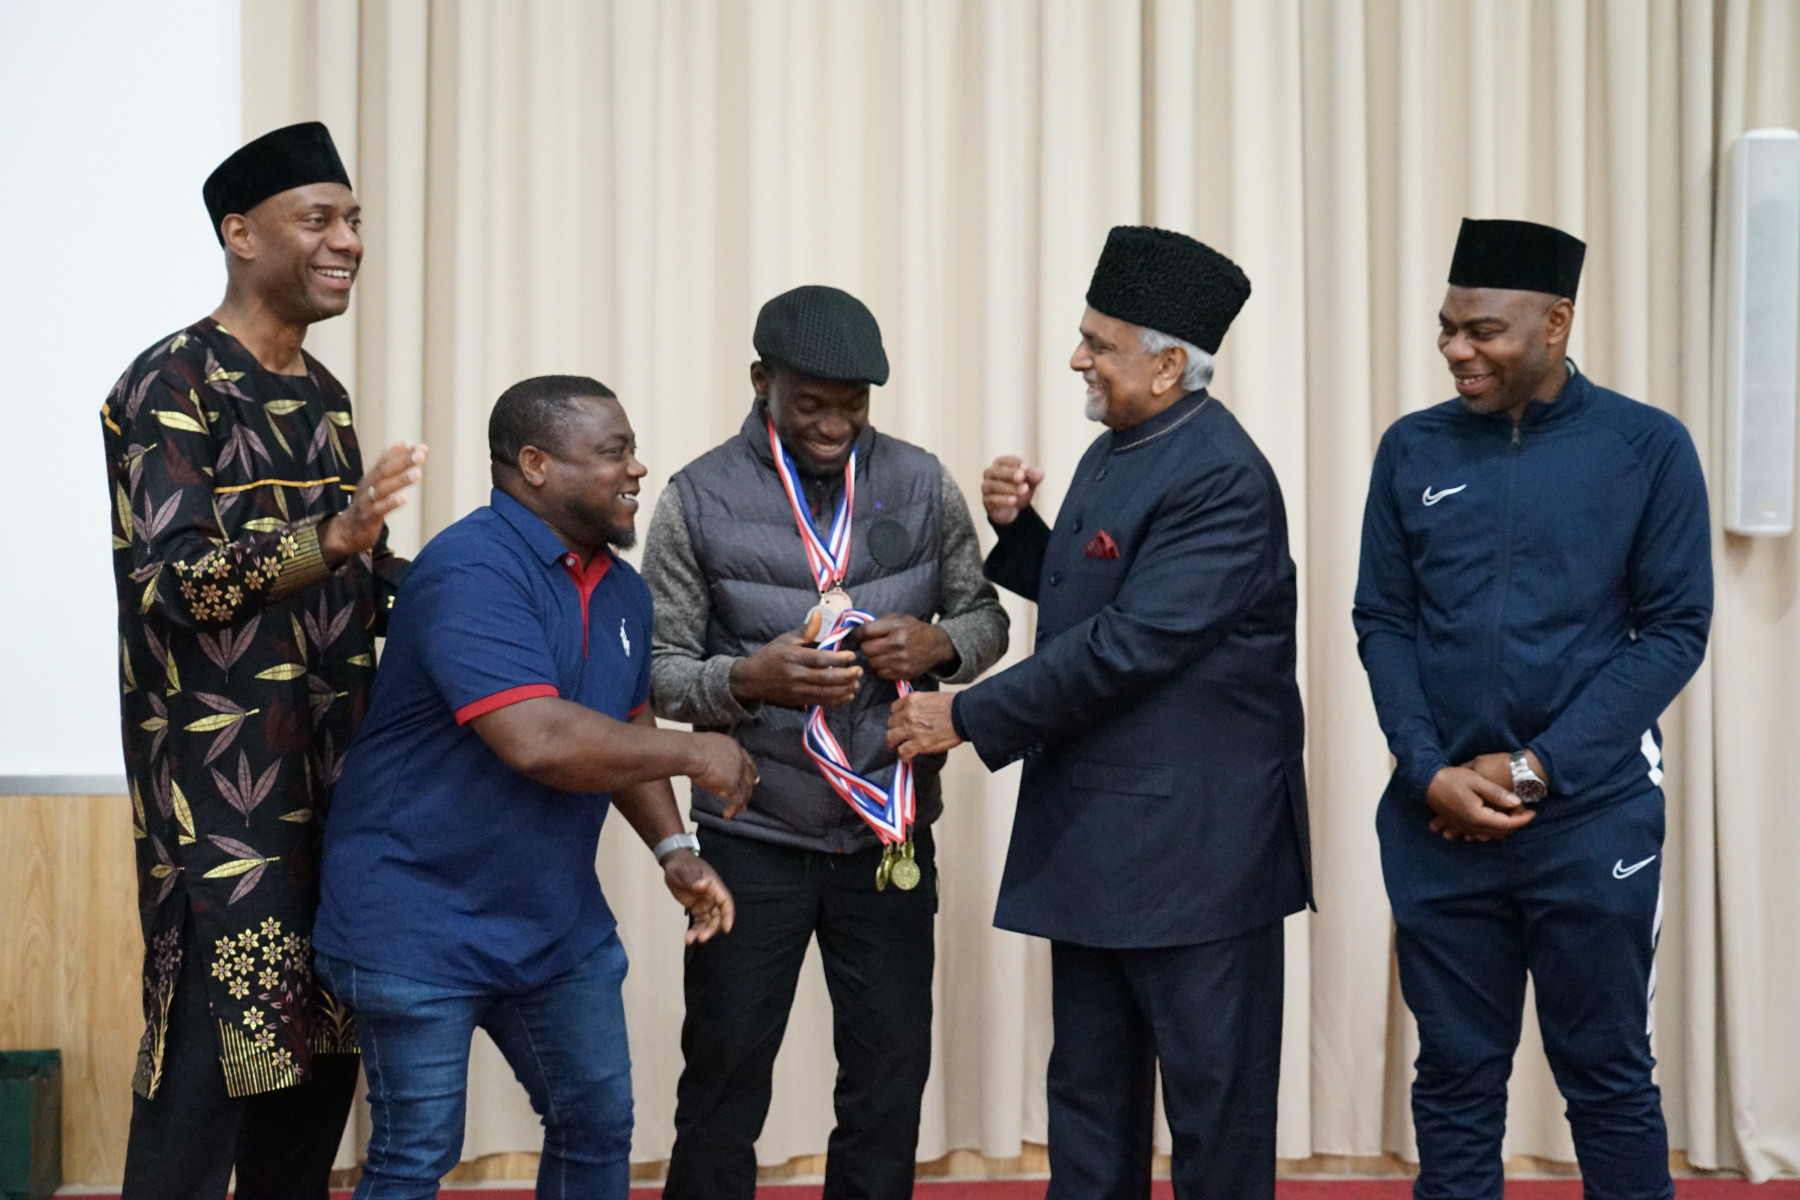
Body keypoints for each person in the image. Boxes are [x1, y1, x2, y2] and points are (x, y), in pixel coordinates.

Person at [887, 226, 1312, 1199]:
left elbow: (1136, 644)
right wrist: (1019, 534)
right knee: (1087, 1108)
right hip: (1098, 847)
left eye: (1099, 342)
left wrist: (968, 716)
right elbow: (1105, 602)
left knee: (1214, 1119)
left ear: (1168, 365)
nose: (1078, 358)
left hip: (1200, 861)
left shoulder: (1222, 476)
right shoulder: (1119, 449)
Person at [312, 375, 755, 1199]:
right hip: (416, 922)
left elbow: (626, 724)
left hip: (555, 928)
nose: (636, 468)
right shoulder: (468, 568)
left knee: (597, 1127)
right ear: (535, 464)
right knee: (416, 1154)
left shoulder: (622, 589)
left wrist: (675, 848)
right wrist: (700, 755)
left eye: (632, 449)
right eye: (614, 452)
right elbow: (538, 740)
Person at [1353, 218, 1711, 1200]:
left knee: (1606, 1071)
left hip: (1592, 819)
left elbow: (1674, 630)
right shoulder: (1412, 448)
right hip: (1435, 822)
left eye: (1484, 331)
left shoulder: (1646, 448)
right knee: (1454, 1076)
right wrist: (1427, 769)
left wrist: (1535, 767)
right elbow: (1383, 618)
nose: (1456, 349)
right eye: (1447, 327)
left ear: (1556, 323)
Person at [102, 120, 426, 1200]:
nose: (348, 241)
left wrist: (474, 592)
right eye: (318, 219)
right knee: (200, 1111)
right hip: (224, 831)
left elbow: (353, 575)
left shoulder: (325, 396)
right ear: (241, 234)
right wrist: (330, 538)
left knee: (308, 1114)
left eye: (354, 220)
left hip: (335, 808)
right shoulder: (170, 382)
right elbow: (175, 584)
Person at [643, 285, 1009, 1199]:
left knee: (889, 1076)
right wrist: (745, 680)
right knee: (725, 1071)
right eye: (811, 404)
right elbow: (655, 669)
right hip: (752, 835)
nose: (836, 424)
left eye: (854, 404)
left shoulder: (922, 482)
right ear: (761, 382)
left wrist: (940, 645)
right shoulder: (697, 497)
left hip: (887, 836)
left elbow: (986, 619)